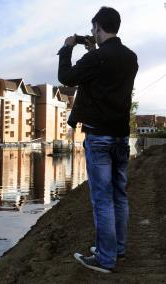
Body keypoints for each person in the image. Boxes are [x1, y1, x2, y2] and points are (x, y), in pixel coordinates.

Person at [57, 7, 138, 273]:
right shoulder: (131, 58)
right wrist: (93, 50)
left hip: (99, 138)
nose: (92, 33)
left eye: (93, 29)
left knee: (102, 199)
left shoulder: (97, 58)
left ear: (99, 27)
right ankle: (119, 249)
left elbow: (66, 78)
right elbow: (105, 74)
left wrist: (68, 47)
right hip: (121, 137)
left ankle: (105, 259)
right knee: (119, 196)